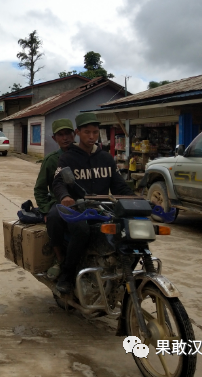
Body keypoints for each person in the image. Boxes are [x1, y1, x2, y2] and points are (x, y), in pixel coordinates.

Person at [48, 112, 134, 294]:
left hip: (102, 208)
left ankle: (125, 272)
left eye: (95, 132)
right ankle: (67, 273)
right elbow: (58, 182)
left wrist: (135, 200)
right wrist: (65, 197)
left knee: (130, 228)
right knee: (81, 229)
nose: (92, 136)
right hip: (77, 209)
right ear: (78, 132)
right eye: (87, 132)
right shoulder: (67, 158)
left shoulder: (106, 158)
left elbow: (120, 187)